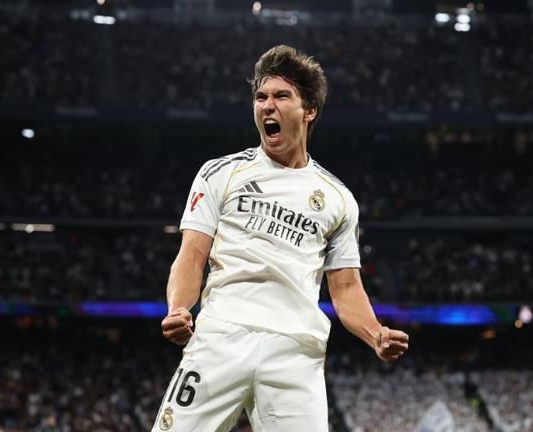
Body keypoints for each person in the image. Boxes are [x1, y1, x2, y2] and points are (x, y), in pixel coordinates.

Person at [152, 45, 409, 432]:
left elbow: (346, 288)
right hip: (222, 336)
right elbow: (191, 256)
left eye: (281, 96)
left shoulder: (338, 199)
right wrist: (177, 308)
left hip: (296, 352)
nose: (267, 106)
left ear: (309, 110)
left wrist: (376, 334)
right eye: (261, 97)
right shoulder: (220, 173)